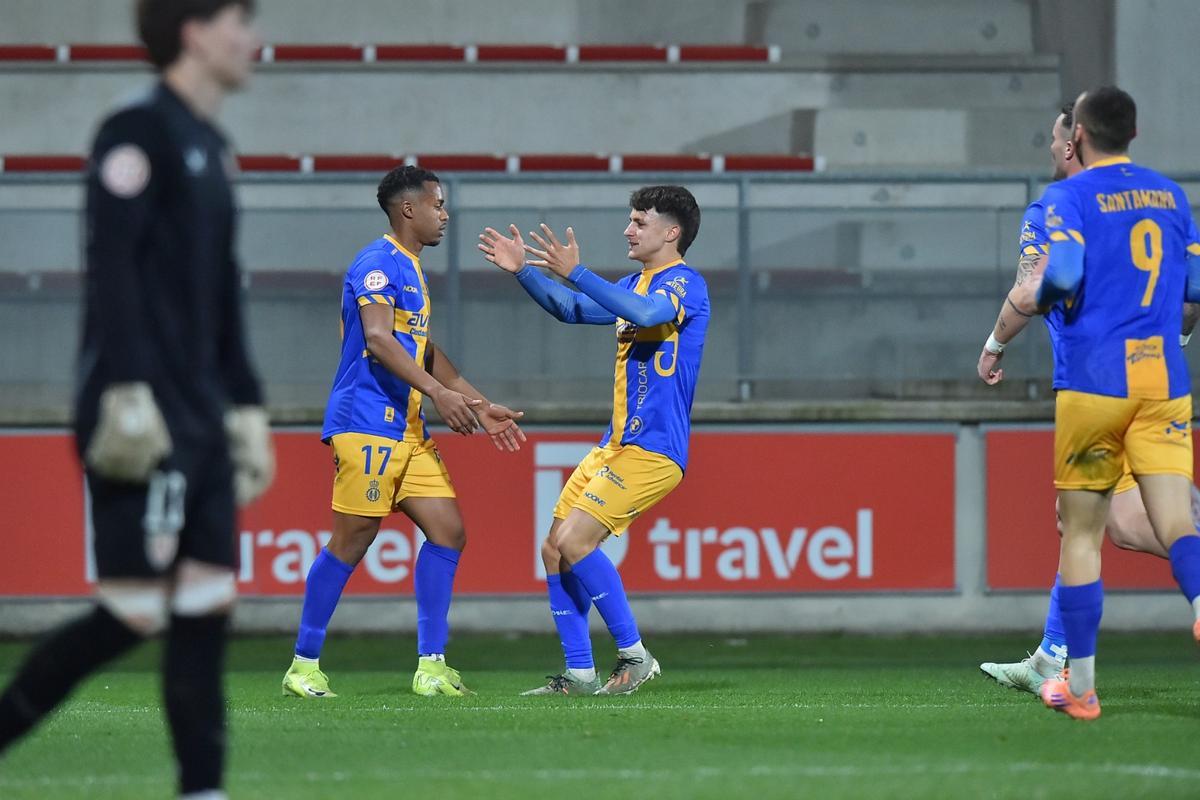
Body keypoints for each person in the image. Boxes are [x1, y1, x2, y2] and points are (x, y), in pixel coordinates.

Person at [0, 1, 272, 796]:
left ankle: (203, 789)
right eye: (238, 22)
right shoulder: (135, 132)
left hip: (204, 414)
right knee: (132, 611)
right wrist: (123, 389)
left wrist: (247, 407)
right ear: (194, 32)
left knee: (206, 607)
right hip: (139, 411)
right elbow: (111, 268)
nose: (253, 40)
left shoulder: (214, 147)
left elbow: (222, 290)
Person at [976, 103, 1200, 694]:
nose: (1050, 148)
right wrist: (1169, 340)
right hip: (1161, 379)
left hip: (1096, 382)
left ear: (1074, 141)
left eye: (1054, 138)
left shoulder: (1058, 206)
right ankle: (1053, 655)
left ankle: (1070, 676)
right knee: (1113, 520)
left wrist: (995, 343)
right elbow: (1192, 294)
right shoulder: (1165, 197)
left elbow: (1031, 290)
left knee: (1101, 521)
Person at [282, 166, 525, 699]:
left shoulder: (411, 270)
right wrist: (440, 396)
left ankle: (431, 666)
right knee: (352, 540)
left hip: (407, 429)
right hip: (366, 423)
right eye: (438, 204)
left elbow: (424, 351)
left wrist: (479, 405)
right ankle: (303, 664)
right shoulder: (376, 263)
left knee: (448, 532)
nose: (445, 214)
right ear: (408, 209)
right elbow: (377, 339)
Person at [478, 186, 709, 695]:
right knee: (553, 550)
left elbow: (648, 316)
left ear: (671, 232)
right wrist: (524, 271)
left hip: (654, 451)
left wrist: (578, 272)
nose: (628, 230)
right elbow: (570, 308)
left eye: (638, 222)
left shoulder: (686, 285)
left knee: (575, 541)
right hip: (615, 445)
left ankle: (635, 655)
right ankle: (580, 673)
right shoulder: (633, 284)